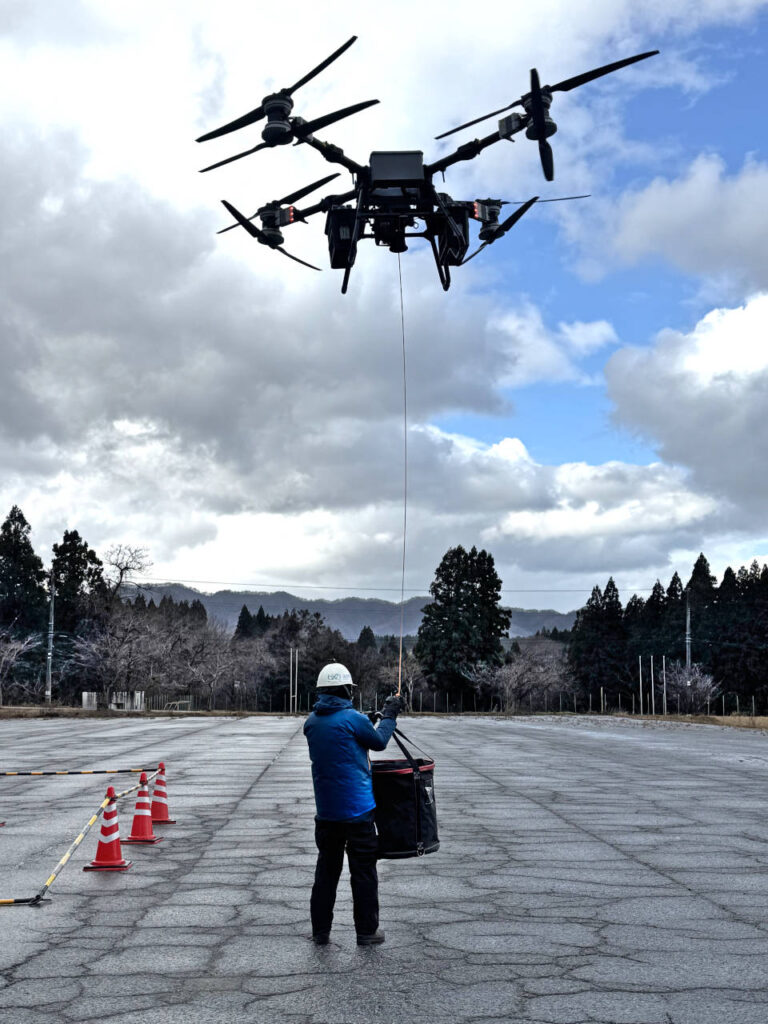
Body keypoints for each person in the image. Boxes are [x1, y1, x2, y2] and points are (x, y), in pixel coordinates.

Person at [303, 662, 405, 946]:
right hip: (358, 812)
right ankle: (366, 932)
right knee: (363, 873)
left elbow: (343, 736)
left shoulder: (311, 723)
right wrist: (390, 714)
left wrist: (368, 721)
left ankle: (320, 931)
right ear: (347, 689)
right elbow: (380, 742)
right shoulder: (353, 719)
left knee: (326, 871)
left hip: (327, 814)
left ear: (322, 691)